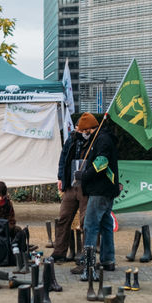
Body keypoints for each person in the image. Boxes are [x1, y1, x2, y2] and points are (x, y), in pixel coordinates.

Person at [49, 113, 98, 263]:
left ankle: (85, 255)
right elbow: (63, 159)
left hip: (86, 187)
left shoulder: (96, 141)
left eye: (82, 129)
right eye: (78, 129)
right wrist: (60, 177)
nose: (80, 132)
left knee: (85, 222)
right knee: (63, 218)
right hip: (71, 185)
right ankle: (59, 252)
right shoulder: (71, 139)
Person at [78, 117, 121, 278]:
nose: (83, 133)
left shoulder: (102, 139)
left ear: (89, 128)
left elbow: (101, 162)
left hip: (100, 189)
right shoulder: (105, 137)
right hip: (107, 188)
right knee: (106, 225)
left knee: (90, 225)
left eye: (83, 130)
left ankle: (88, 264)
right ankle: (108, 260)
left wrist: (84, 175)